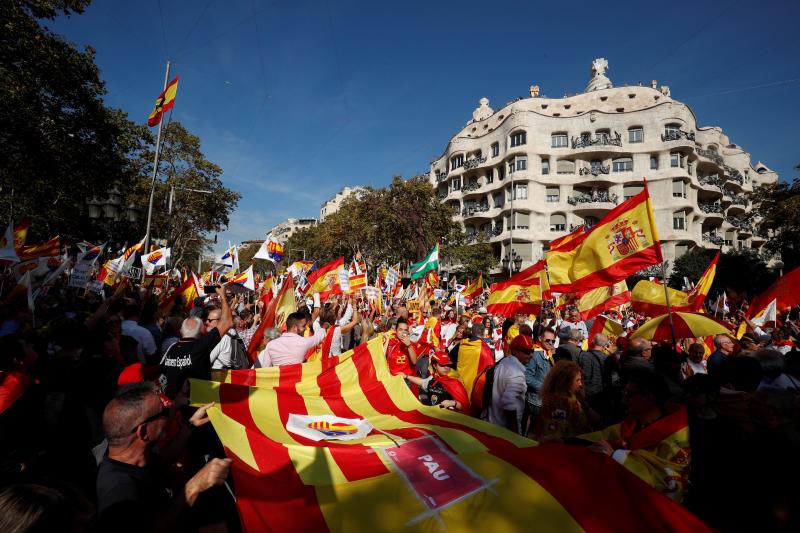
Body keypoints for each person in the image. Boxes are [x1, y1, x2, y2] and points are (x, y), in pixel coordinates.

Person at [95, 383, 232, 532]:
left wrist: (190, 426)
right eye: (164, 412)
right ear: (143, 432)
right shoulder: (120, 494)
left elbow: (159, 462)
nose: (170, 408)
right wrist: (194, 486)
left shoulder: (131, 455)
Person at [581, 369, 691, 502]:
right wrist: (563, 441)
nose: (624, 400)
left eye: (630, 394)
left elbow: (672, 483)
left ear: (649, 397)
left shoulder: (677, 438)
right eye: (624, 392)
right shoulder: (630, 424)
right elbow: (602, 436)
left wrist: (616, 456)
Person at [159, 286, 232, 399]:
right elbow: (227, 323)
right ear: (201, 331)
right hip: (195, 405)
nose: (207, 324)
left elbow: (161, 377)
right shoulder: (200, 346)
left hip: (172, 405)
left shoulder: (172, 348)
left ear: (181, 331)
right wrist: (222, 296)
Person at [534, 360, 596, 441]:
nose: (581, 384)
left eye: (581, 380)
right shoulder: (559, 404)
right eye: (578, 380)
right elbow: (556, 436)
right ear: (565, 382)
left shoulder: (573, 399)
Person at [488, 334, 533, 434]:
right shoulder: (516, 373)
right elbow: (509, 404)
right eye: (526, 351)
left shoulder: (503, 362)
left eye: (532, 351)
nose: (531, 355)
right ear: (515, 351)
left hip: (492, 424)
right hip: (505, 431)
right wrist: (515, 432)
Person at [257, 308, 325, 368]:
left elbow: (265, 370)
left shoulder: (271, 345)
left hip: (278, 381)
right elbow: (319, 337)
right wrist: (324, 328)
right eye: (303, 326)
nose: (305, 329)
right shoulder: (303, 342)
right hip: (297, 382)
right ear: (294, 327)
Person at [405, 352, 469, 413]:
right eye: (442, 365)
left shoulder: (454, 380)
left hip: (448, 419)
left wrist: (453, 403)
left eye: (448, 365)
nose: (446, 368)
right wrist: (406, 376)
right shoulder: (433, 378)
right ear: (434, 366)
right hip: (433, 417)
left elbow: (465, 406)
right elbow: (423, 382)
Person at [524, 327, 556, 430]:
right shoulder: (535, 354)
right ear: (540, 338)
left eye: (553, 341)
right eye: (548, 340)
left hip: (545, 400)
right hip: (536, 401)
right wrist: (544, 388)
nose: (551, 343)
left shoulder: (548, 354)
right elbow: (527, 377)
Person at [577, 334, 608, 414]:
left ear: (593, 341)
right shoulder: (607, 358)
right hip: (602, 393)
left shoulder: (584, 355)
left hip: (589, 393)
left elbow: (584, 374)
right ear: (604, 345)